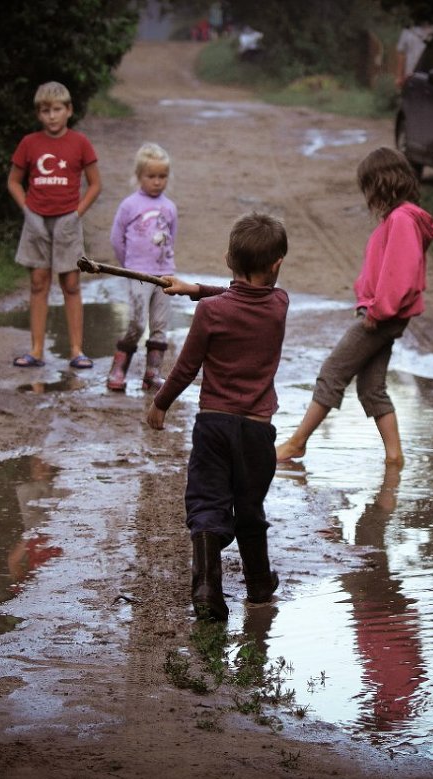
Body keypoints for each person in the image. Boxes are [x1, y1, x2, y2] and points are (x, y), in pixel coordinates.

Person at [146, 212, 289, 622]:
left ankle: (207, 587)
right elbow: (242, 297)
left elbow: (186, 367)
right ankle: (259, 583)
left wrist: (161, 402)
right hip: (257, 431)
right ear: (277, 263)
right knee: (249, 508)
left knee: (208, 503)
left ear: (228, 258)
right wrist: (195, 289)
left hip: (213, 426)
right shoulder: (280, 305)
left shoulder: (211, 313)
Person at [275, 147, 433, 468]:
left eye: (367, 187)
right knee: (371, 388)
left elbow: (400, 275)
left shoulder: (402, 220)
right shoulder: (400, 218)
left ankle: (296, 443)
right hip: (384, 315)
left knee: (332, 372)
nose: (367, 196)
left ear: (380, 184)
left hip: (381, 316)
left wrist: (376, 311)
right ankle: (395, 457)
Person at [7, 81, 103, 369]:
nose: (52, 116)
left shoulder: (80, 142)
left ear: (69, 110)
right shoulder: (29, 143)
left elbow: (95, 184)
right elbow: (14, 181)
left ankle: (76, 350)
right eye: (46, 110)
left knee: (71, 284)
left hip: (67, 222)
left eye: (57, 109)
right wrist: (27, 210)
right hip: (36, 221)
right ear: (39, 114)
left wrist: (76, 214)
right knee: (38, 282)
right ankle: (36, 350)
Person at [106, 143, 179, 392]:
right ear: (139, 176)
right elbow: (117, 238)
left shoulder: (169, 207)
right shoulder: (130, 205)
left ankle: (152, 373)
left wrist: (166, 264)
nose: (157, 182)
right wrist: (128, 265)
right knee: (138, 322)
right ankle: (118, 368)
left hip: (165, 274)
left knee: (160, 325)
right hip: (138, 273)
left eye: (162, 177)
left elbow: (172, 236)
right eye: (151, 176)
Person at [395, 20, 433, 87]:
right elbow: (401, 54)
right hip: (411, 75)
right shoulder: (408, 31)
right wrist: (399, 76)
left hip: (432, 76)